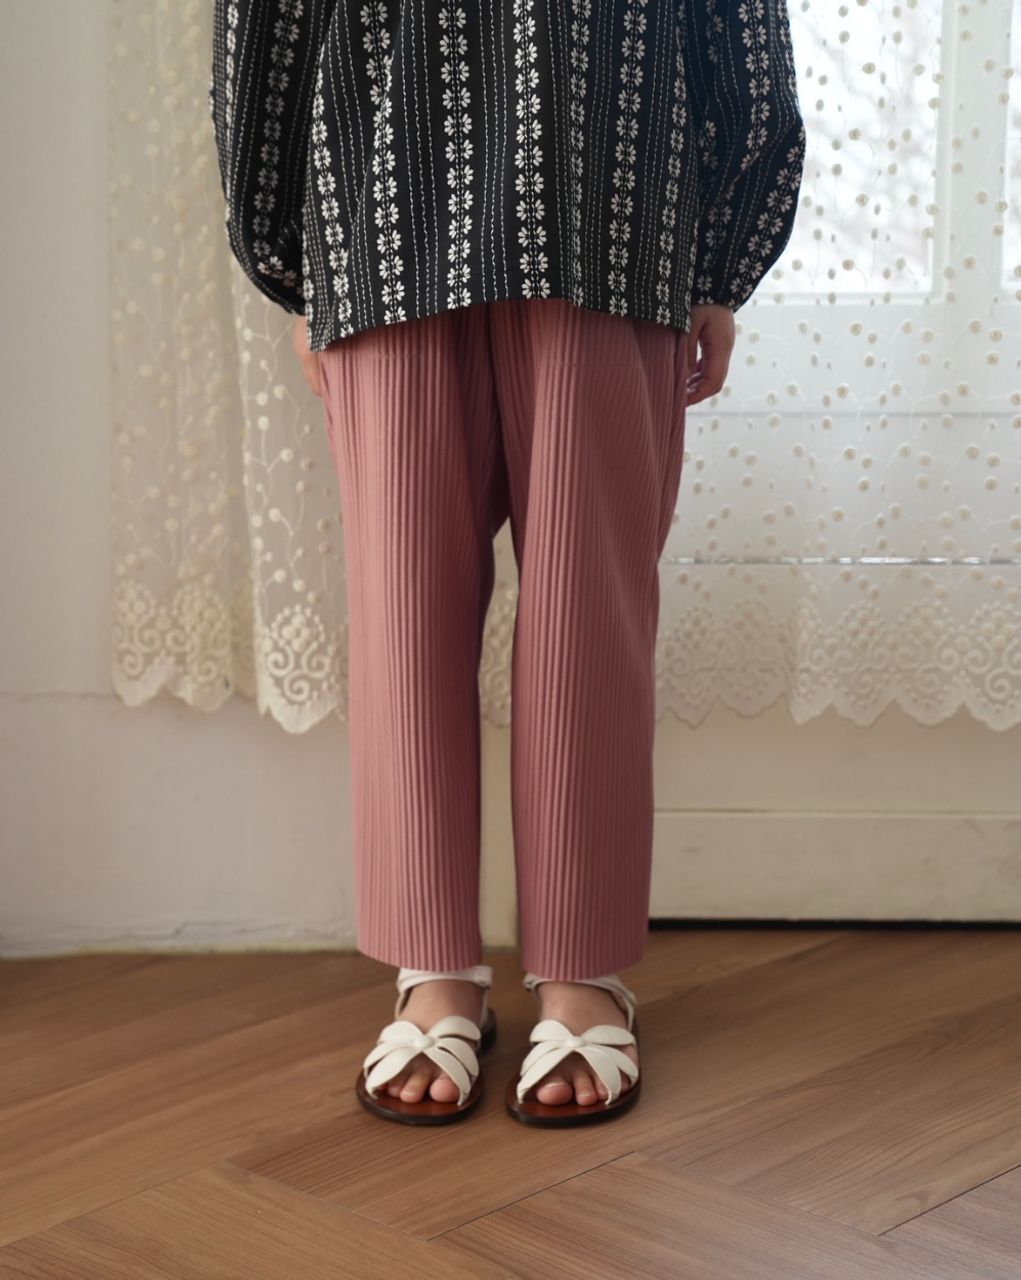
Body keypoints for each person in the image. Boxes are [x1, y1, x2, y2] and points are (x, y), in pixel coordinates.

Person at [210, 0, 805, 1126]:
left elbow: (737, 24)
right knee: (403, 617)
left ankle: (583, 969)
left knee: (591, 620)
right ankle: (430, 964)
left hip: (611, 203)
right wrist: (299, 262)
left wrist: (721, 260)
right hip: (382, 206)